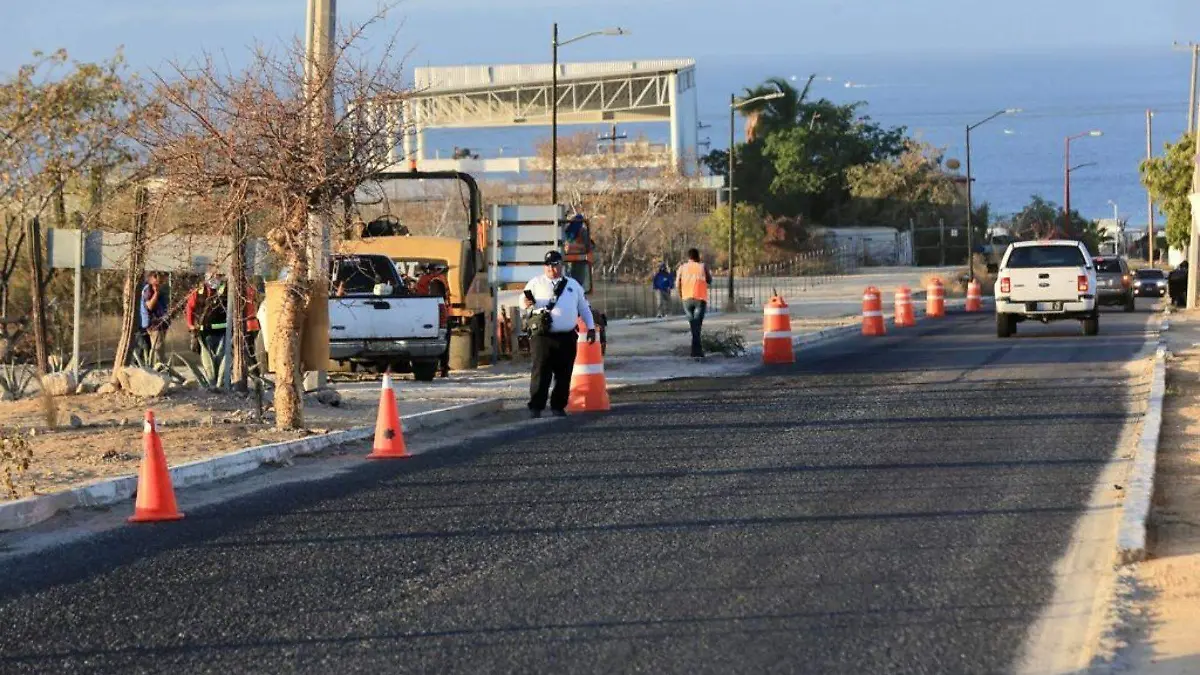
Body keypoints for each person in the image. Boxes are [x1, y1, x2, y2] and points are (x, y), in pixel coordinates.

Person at [522, 250, 596, 418]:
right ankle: (536, 407)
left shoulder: (573, 285)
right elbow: (523, 301)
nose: (551, 268)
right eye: (548, 265)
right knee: (541, 371)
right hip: (543, 336)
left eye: (555, 265)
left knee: (564, 373)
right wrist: (526, 302)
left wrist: (591, 328)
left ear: (561, 265)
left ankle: (558, 406)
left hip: (566, 336)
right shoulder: (536, 283)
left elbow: (584, 308)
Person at [185, 265, 229, 374]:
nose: (216, 278)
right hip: (205, 333)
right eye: (213, 275)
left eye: (218, 276)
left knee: (221, 361)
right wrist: (191, 326)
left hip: (223, 333)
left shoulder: (226, 290)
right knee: (208, 364)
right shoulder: (199, 291)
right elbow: (189, 308)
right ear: (207, 276)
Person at [677, 248, 712, 359]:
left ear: (688, 257)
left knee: (693, 325)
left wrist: (681, 295)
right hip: (700, 299)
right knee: (697, 325)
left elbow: (677, 283)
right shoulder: (702, 267)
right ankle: (697, 351)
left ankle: (695, 351)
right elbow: (709, 280)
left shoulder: (682, 268)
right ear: (698, 256)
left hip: (686, 299)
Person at [139, 271, 170, 369]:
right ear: (155, 277)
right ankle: (159, 369)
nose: (164, 281)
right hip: (155, 325)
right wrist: (156, 293)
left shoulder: (160, 289)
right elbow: (149, 306)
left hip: (161, 324)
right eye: (162, 279)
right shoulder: (149, 289)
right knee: (158, 350)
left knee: (160, 348)